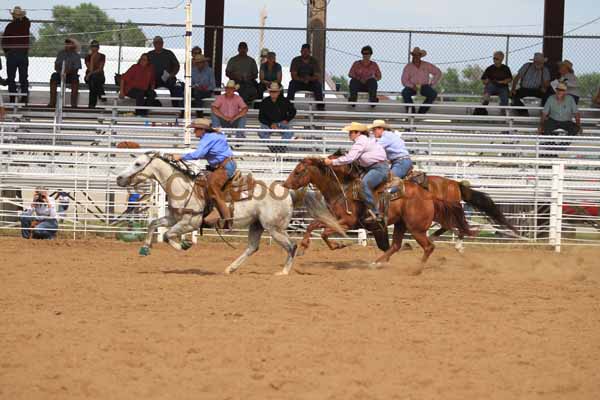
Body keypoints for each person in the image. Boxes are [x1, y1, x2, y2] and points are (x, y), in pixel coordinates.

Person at [172, 118, 236, 230]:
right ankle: (206, 213)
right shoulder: (213, 136)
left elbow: (199, 154)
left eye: (196, 129)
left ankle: (227, 220)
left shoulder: (208, 139)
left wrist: (181, 156)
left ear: (202, 130)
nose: (194, 131)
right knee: (200, 183)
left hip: (224, 167)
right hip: (221, 165)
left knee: (213, 187)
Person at [323, 122, 388, 224]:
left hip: (377, 168)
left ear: (358, 133)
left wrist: (332, 162)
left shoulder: (360, 142)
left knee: (364, 185)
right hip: (372, 167)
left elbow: (350, 158)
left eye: (351, 132)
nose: (349, 134)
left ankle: (377, 213)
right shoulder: (364, 141)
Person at [1, 6, 31, 104]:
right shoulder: (25, 24)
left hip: (12, 54)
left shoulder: (10, 26)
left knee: (11, 77)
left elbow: (4, 42)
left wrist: (7, 52)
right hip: (22, 54)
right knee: (23, 77)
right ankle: (24, 98)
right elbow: (4, 41)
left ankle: (13, 98)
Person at [401, 47, 442, 114]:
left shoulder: (426, 65)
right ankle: (412, 113)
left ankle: (421, 112)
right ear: (412, 56)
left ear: (420, 56)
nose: (416, 57)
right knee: (405, 93)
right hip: (412, 86)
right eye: (414, 55)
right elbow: (404, 80)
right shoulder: (408, 67)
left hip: (424, 86)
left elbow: (438, 72)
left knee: (433, 94)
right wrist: (412, 86)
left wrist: (432, 83)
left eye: (418, 55)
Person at [258, 83, 297, 152]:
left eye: (275, 91)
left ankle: (281, 146)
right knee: (261, 132)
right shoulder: (264, 102)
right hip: (269, 124)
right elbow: (261, 117)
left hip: (281, 123)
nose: (273, 93)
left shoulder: (285, 101)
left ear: (278, 92)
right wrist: (270, 124)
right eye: (271, 91)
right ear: (269, 92)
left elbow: (293, 111)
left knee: (290, 131)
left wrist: (287, 120)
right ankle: (272, 147)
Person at [288, 43, 325, 111]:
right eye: (303, 51)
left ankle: (320, 106)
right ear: (301, 51)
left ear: (309, 52)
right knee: (292, 84)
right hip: (298, 82)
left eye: (307, 51)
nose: (305, 53)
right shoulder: (295, 60)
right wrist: (302, 80)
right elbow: (293, 76)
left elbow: (317, 76)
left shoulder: (314, 61)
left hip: (311, 82)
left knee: (318, 85)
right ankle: (289, 106)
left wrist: (309, 79)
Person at [147, 36, 182, 108]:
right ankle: (151, 106)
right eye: (156, 43)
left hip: (167, 78)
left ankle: (176, 108)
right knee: (146, 88)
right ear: (153, 44)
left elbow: (177, 65)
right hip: (153, 79)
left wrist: (172, 74)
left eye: (160, 43)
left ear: (163, 44)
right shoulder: (149, 54)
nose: (158, 44)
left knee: (175, 88)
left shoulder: (169, 53)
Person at [48, 38, 82, 108]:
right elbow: (56, 65)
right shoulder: (61, 53)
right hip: (60, 73)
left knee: (75, 80)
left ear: (73, 45)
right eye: (66, 44)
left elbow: (76, 69)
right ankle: (52, 102)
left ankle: (73, 104)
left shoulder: (76, 55)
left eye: (69, 44)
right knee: (53, 77)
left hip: (71, 74)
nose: (67, 45)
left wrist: (67, 72)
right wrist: (60, 71)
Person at [84, 40, 105, 108]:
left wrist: (89, 74)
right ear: (90, 47)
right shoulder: (87, 57)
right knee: (94, 79)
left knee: (94, 80)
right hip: (89, 77)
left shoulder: (102, 56)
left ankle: (91, 105)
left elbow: (100, 69)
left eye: (96, 46)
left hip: (99, 76)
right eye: (93, 46)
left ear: (98, 47)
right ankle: (101, 94)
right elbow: (90, 69)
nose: (95, 48)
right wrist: (92, 58)